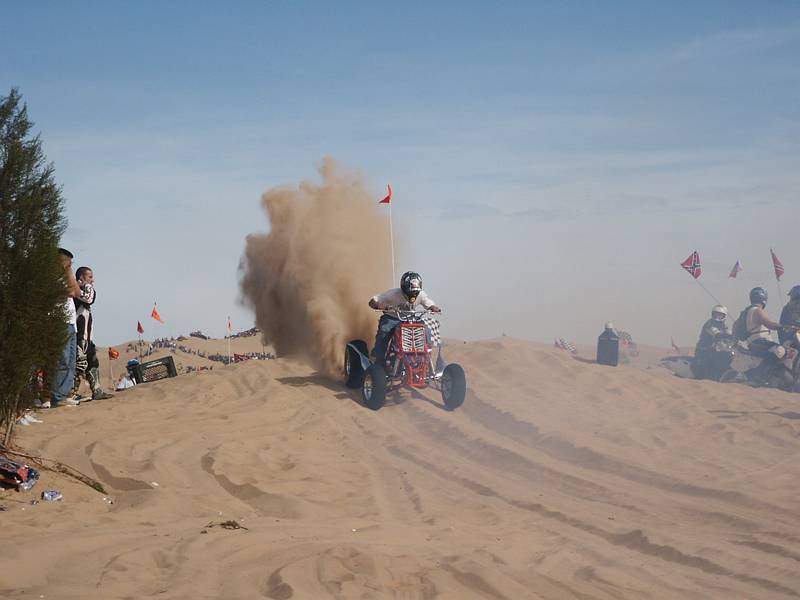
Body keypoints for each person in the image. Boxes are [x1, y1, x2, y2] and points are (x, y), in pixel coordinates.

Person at [368, 271, 441, 367]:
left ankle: (425, 358)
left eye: (415, 292)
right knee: (384, 330)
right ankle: (378, 359)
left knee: (426, 330)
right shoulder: (392, 294)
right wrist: (379, 305)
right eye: (410, 292)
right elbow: (372, 301)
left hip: (410, 319)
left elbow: (429, 303)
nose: (413, 295)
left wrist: (433, 308)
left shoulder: (421, 294)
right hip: (392, 318)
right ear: (403, 288)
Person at [45, 248, 82, 408]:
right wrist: (68, 274)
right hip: (59, 321)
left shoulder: (66, 276)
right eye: (68, 262)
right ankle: (57, 396)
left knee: (71, 360)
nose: (70, 266)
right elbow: (71, 292)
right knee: (63, 359)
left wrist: (70, 273)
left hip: (71, 322)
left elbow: (78, 292)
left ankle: (64, 393)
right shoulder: (50, 277)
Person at [73, 266, 113, 400]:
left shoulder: (81, 291)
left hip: (88, 338)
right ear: (81, 277)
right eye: (90, 277)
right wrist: (83, 285)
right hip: (77, 337)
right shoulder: (75, 291)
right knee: (79, 365)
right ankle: (71, 393)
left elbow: (90, 298)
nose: (93, 280)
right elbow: (89, 299)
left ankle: (97, 391)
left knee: (93, 363)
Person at [692, 305, 731, 379]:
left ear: (724, 316)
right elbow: (717, 334)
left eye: (720, 315)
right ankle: (708, 378)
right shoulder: (709, 324)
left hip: (715, 350)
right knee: (711, 363)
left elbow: (729, 332)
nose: (717, 317)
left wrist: (735, 335)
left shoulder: (723, 326)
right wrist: (727, 336)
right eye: (716, 314)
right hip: (704, 350)